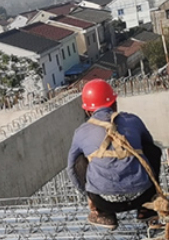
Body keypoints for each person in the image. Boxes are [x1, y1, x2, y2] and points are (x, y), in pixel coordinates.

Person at [67, 79, 161, 230]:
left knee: (79, 160)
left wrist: (89, 196)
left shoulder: (81, 132)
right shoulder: (133, 120)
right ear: (114, 103)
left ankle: (103, 213)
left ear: (87, 110)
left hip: (103, 200)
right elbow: (151, 149)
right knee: (151, 149)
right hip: (141, 194)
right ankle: (146, 208)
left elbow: (71, 169)